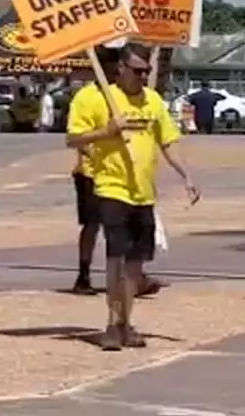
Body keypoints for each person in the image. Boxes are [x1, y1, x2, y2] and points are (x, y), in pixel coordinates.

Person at [67, 43, 200, 351]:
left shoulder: (152, 101)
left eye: (147, 71)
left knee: (134, 266)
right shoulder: (94, 97)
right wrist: (107, 130)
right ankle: (112, 325)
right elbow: (72, 138)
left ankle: (126, 322)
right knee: (115, 259)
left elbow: (168, 141)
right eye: (138, 71)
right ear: (121, 69)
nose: (143, 76)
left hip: (143, 194)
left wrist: (187, 175)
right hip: (111, 188)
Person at [69, 53, 167, 298]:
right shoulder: (90, 96)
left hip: (131, 180)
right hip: (93, 174)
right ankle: (84, 274)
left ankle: (134, 279)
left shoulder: (137, 97)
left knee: (130, 233)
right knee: (93, 225)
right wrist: (98, 144)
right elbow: (76, 137)